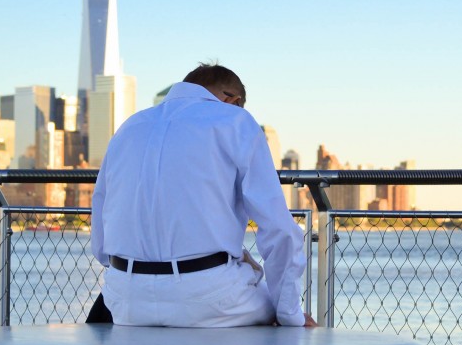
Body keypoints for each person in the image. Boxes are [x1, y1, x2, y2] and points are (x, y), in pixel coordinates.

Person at [90, 63, 315, 327]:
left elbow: (101, 227)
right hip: (208, 300)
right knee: (277, 308)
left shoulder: (130, 126)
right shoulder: (235, 121)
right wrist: (290, 316)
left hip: (125, 300)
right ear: (233, 100)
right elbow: (279, 231)